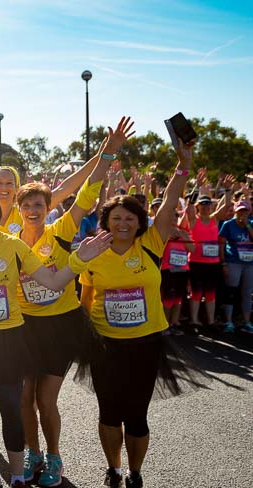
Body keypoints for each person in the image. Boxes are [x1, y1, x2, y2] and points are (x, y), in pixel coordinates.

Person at [0, 187, 111, 488]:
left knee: (11, 404)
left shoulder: (14, 246)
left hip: (10, 338)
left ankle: (19, 475)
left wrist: (79, 259)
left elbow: (52, 281)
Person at [17, 116, 132, 486]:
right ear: (19, 210)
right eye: (28, 205)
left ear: (47, 206)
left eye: (39, 204)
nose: (34, 210)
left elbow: (84, 197)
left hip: (60, 326)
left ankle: (54, 456)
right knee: (23, 398)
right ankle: (32, 452)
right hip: (24, 327)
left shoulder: (61, 229)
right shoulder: (11, 241)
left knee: (46, 401)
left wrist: (107, 153)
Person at [79, 138, 196, 488]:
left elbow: (171, 200)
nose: (123, 224)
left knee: (137, 416)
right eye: (116, 218)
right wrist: (83, 340)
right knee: (109, 413)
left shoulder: (150, 244)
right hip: (105, 345)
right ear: (107, 222)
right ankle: (113, 468)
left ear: (139, 221)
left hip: (145, 343)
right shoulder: (94, 253)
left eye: (130, 218)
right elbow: (85, 298)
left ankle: (135, 472)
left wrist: (183, 165)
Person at [185, 193, 229, 332]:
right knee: (196, 293)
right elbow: (189, 212)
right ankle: (194, 321)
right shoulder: (194, 220)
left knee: (211, 293)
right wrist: (191, 200)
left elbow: (225, 207)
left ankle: (210, 321)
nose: (205, 207)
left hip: (212, 263)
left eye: (208, 204)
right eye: (202, 205)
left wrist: (228, 191)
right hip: (196, 262)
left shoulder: (214, 219)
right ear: (198, 207)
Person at [219, 200, 253, 333]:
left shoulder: (251, 223)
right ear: (236, 212)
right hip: (233, 262)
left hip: (249, 264)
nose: (242, 214)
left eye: (245, 211)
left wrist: (248, 226)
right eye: (240, 211)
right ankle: (228, 321)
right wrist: (223, 263)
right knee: (230, 292)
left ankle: (247, 321)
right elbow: (221, 244)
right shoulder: (228, 225)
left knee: (247, 293)